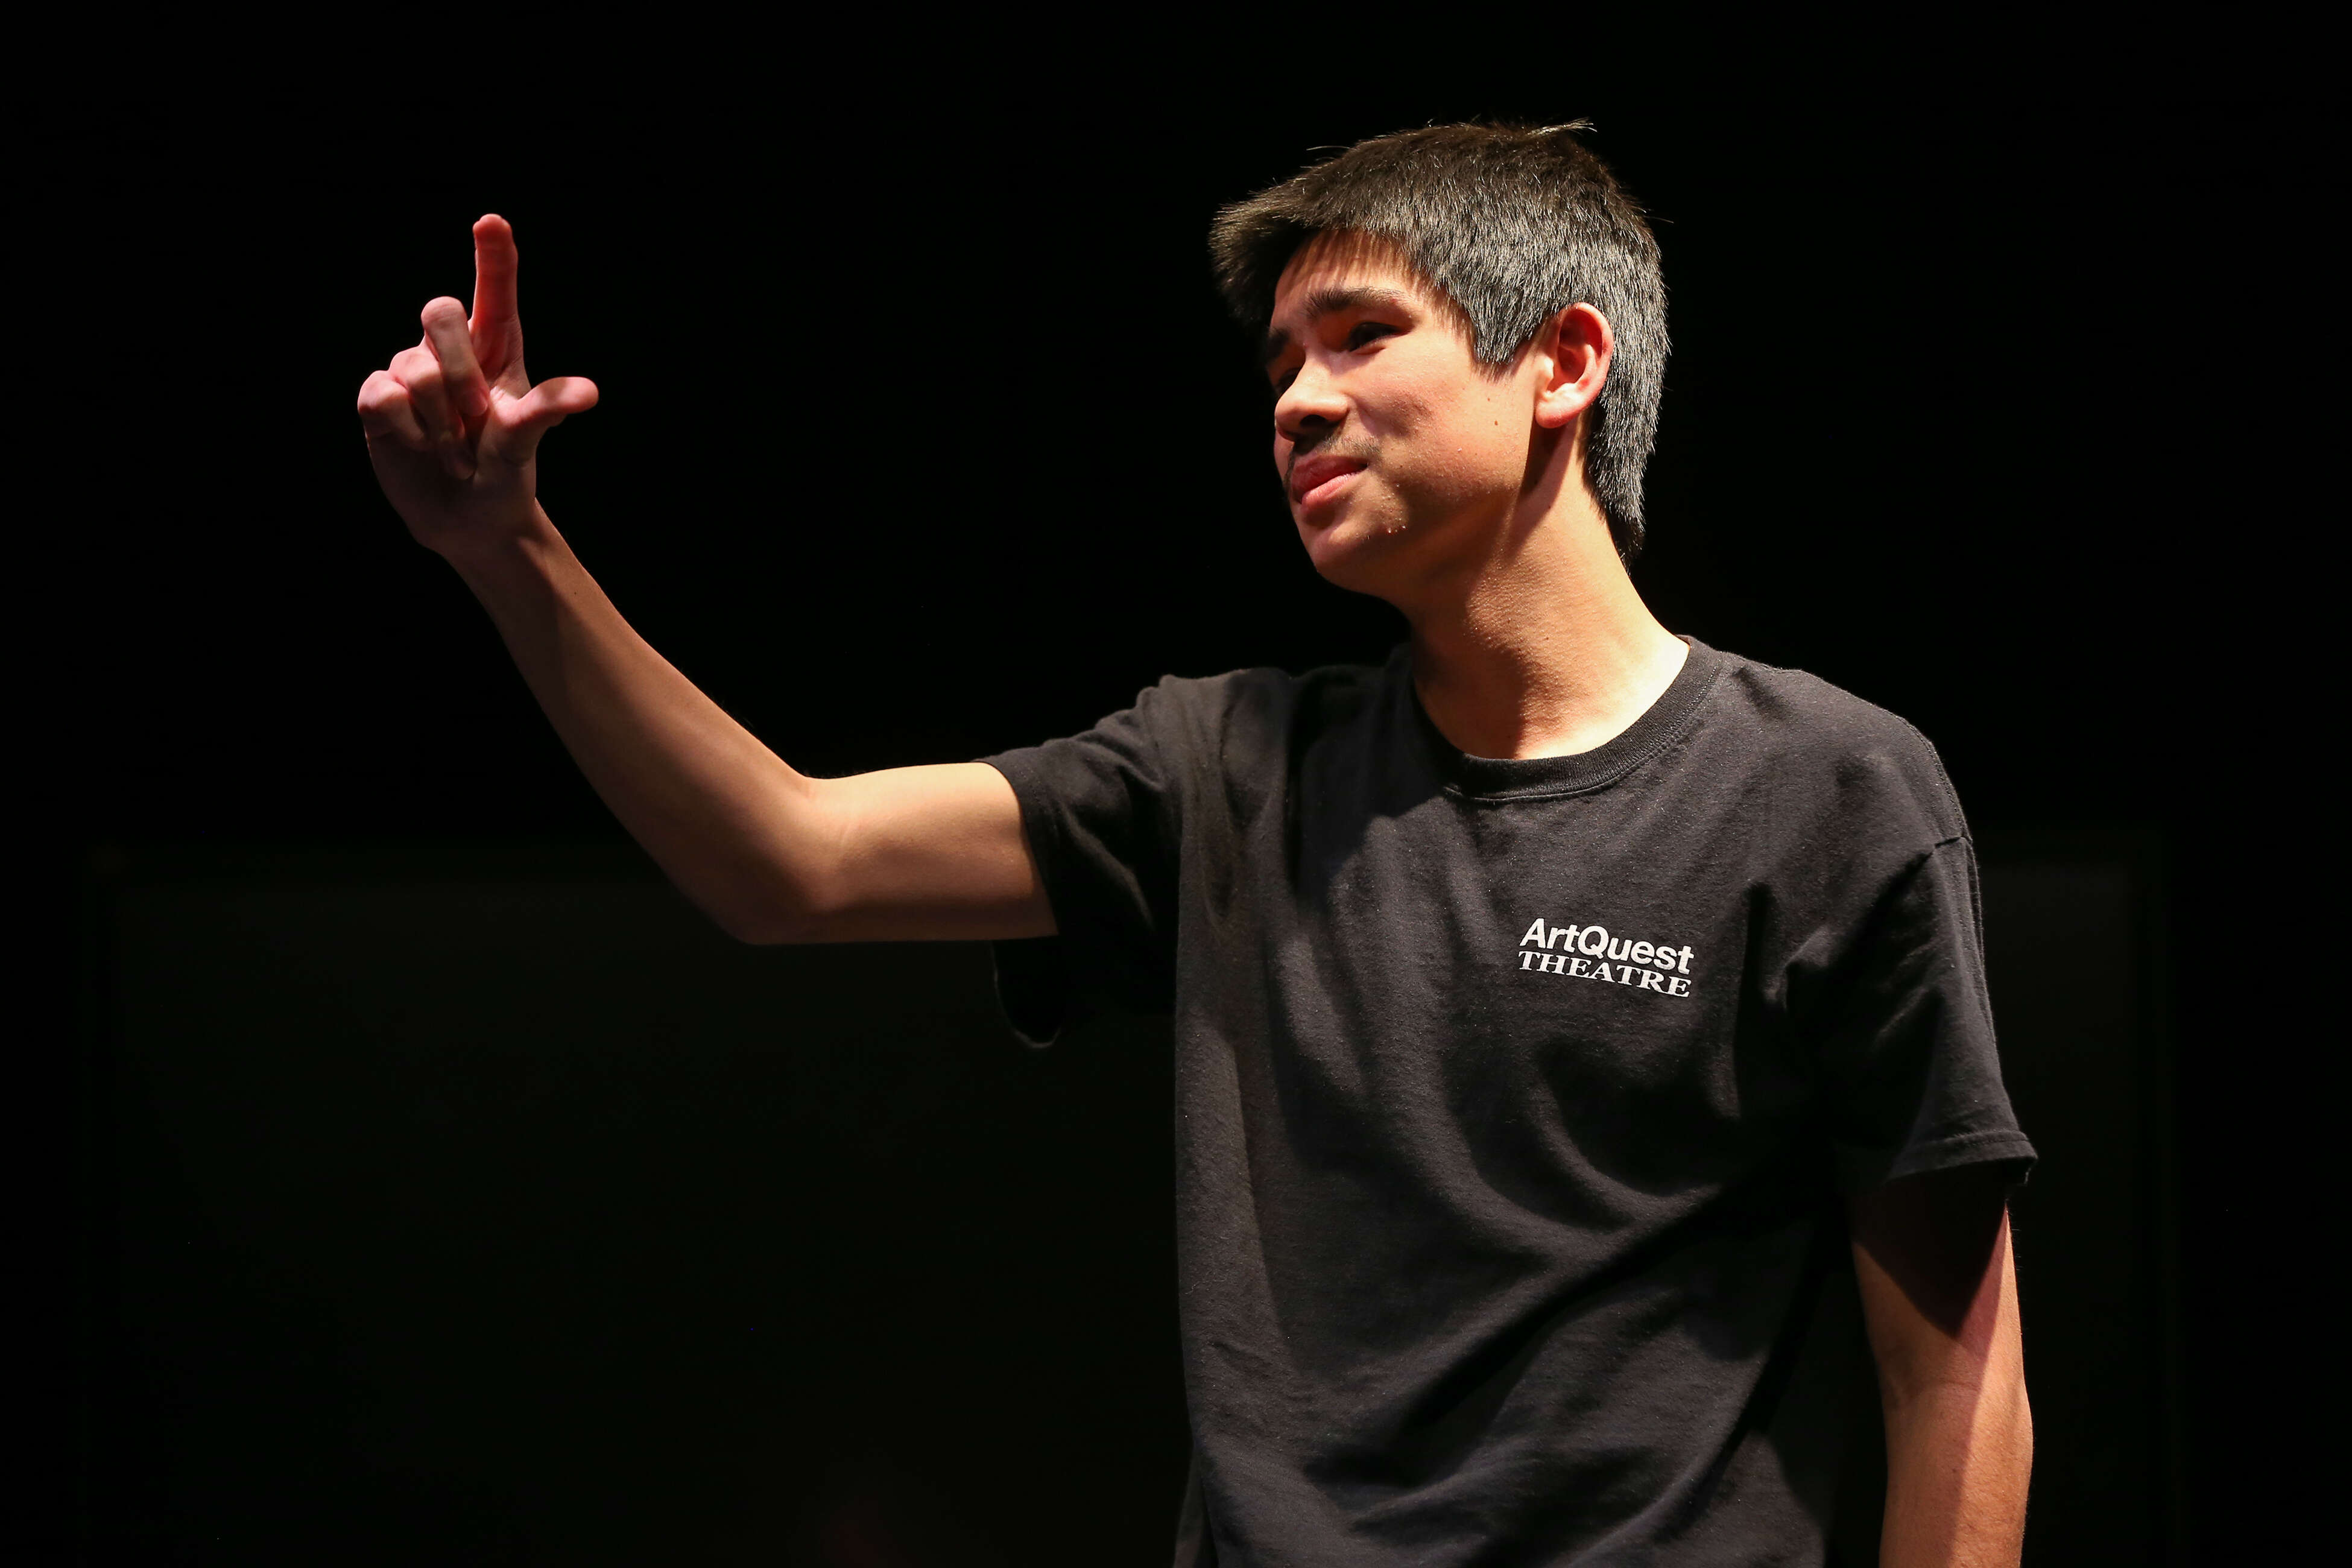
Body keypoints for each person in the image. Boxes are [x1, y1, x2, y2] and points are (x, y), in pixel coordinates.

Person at [356, 122, 2034, 1566]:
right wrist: (512, 557)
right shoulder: (1224, 769)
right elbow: (786, 860)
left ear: (1563, 364)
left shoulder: (1822, 790)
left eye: (1362, 336)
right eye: (1282, 365)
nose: (1297, 403)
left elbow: (1951, 1376)